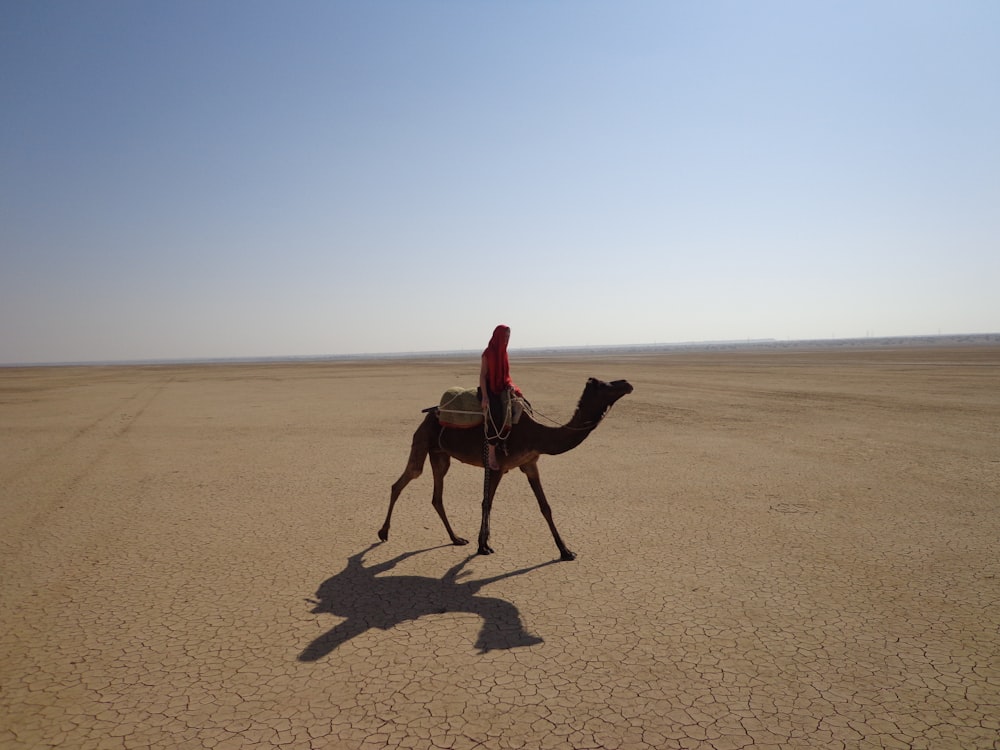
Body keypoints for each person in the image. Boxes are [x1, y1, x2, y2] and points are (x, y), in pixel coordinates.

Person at [479, 324, 522, 470]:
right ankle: (491, 454)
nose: (507, 339)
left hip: (502, 386)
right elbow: (483, 376)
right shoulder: (488, 353)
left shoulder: (504, 353)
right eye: (504, 336)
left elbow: (506, 376)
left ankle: (506, 444)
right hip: (489, 388)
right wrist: (485, 397)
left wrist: (510, 385)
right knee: (496, 413)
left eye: (508, 337)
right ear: (498, 337)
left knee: (521, 403)